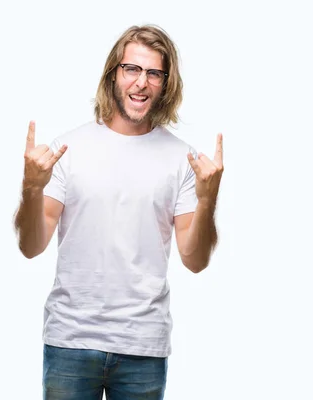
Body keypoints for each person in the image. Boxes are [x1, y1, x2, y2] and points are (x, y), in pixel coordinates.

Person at [13, 24, 223, 400]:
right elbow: (31, 246)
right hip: (71, 341)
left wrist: (208, 201)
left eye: (154, 73)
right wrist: (32, 188)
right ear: (114, 74)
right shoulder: (68, 148)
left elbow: (195, 260)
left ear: (165, 83)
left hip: (143, 346)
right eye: (132, 69)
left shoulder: (182, 159)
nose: (141, 83)